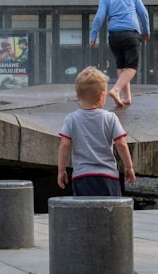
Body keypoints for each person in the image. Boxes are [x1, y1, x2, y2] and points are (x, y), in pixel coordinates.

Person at [57, 67, 136, 197]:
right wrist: (129, 167)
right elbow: (121, 144)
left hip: (82, 176)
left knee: (85, 212)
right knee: (110, 212)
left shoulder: (71, 119)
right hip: (108, 176)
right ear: (101, 96)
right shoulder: (110, 118)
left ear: (77, 95)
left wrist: (61, 170)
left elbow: (64, 145)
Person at [89, 0, 150, 108]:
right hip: (130, 35)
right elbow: (143, 13)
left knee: (121, 66)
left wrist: (93, 36)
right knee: (132, 67)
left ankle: (127, 97)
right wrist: (146, 31)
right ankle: (115, 90)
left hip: (114, 37)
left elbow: (99, 18)